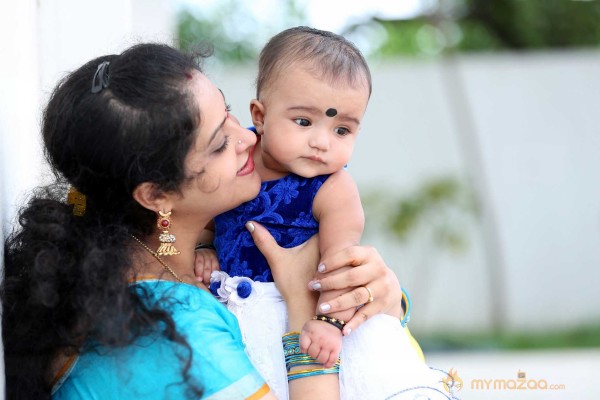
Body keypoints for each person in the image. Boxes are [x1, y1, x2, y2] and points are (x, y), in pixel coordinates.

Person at [1, 42, 413, 400]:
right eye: (219, 144)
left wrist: (388, 299)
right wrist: (302, 304)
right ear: (156, 195)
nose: (249, 137)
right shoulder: (170, 333)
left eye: (230, 112)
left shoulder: (132, 272)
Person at [194, 27, 454, 400]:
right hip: (236, 310)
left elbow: (339, 266)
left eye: (342, 129)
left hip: (300, 315)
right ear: (260, 116)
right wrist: (204, 249)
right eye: (304, 122)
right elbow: (204, 218)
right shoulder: (236, 158)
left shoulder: (332, 189)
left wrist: (328, 323)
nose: (322, 142)